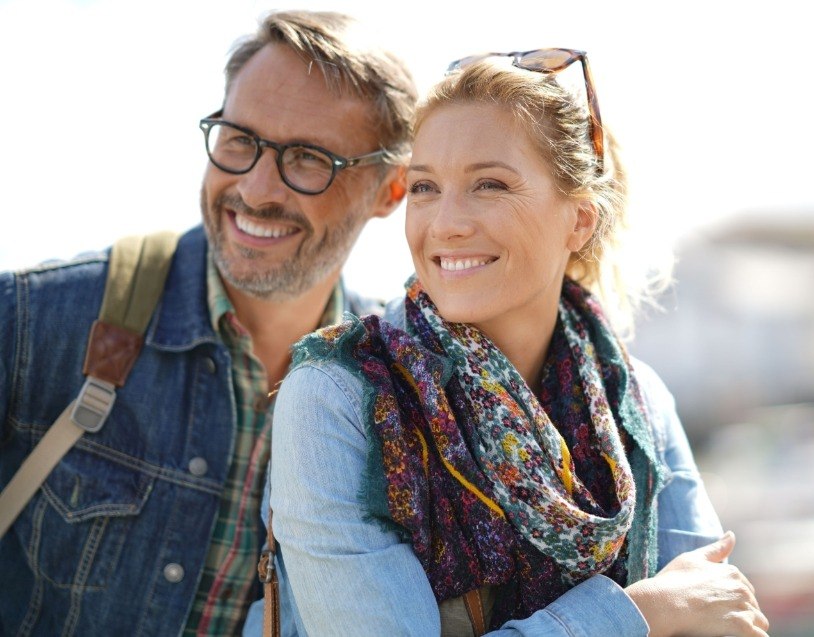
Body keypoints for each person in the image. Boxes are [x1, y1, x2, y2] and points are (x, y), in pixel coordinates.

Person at [262, 50, 770, 635]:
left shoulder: (635, 401)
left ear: (579, 220)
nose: (446, 222)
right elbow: (687, 606)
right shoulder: (337, 395)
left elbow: (719, 611)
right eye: (425, 187)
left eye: (489, 184)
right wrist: (644, 613)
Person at [0, 10, 417, 636]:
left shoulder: (392, 402)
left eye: (306, 158)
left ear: (390, 190)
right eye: (239, 140)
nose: (255, 189)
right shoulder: (36, 323)